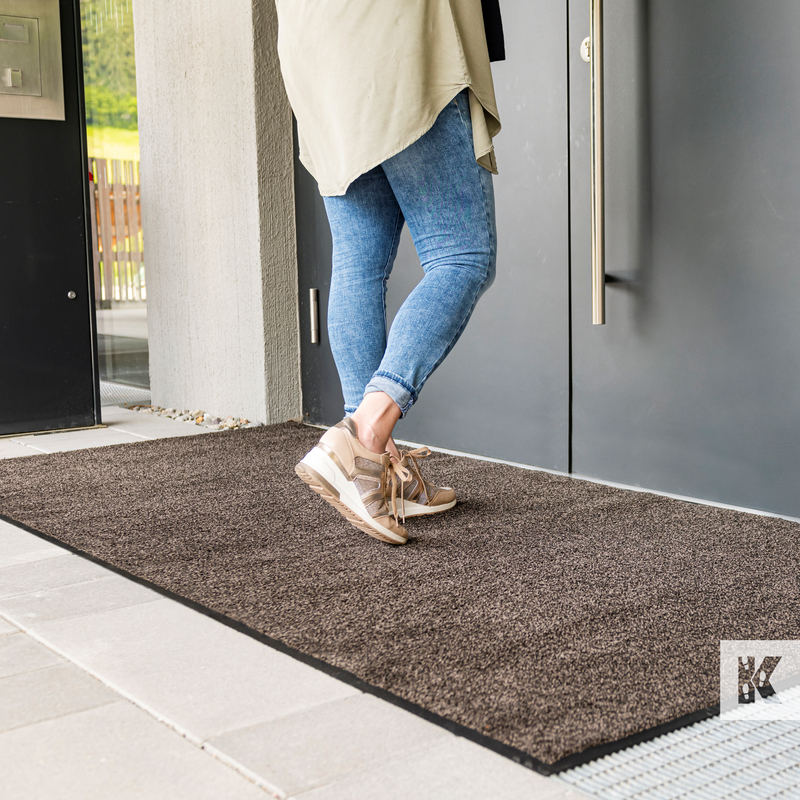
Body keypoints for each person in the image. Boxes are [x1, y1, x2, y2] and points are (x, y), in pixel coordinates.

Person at [275, 0, 504, 544]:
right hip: (400, 42)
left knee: (359, 262)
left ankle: (370, 476)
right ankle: (365, 437)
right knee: (462, 256)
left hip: (320, 56)